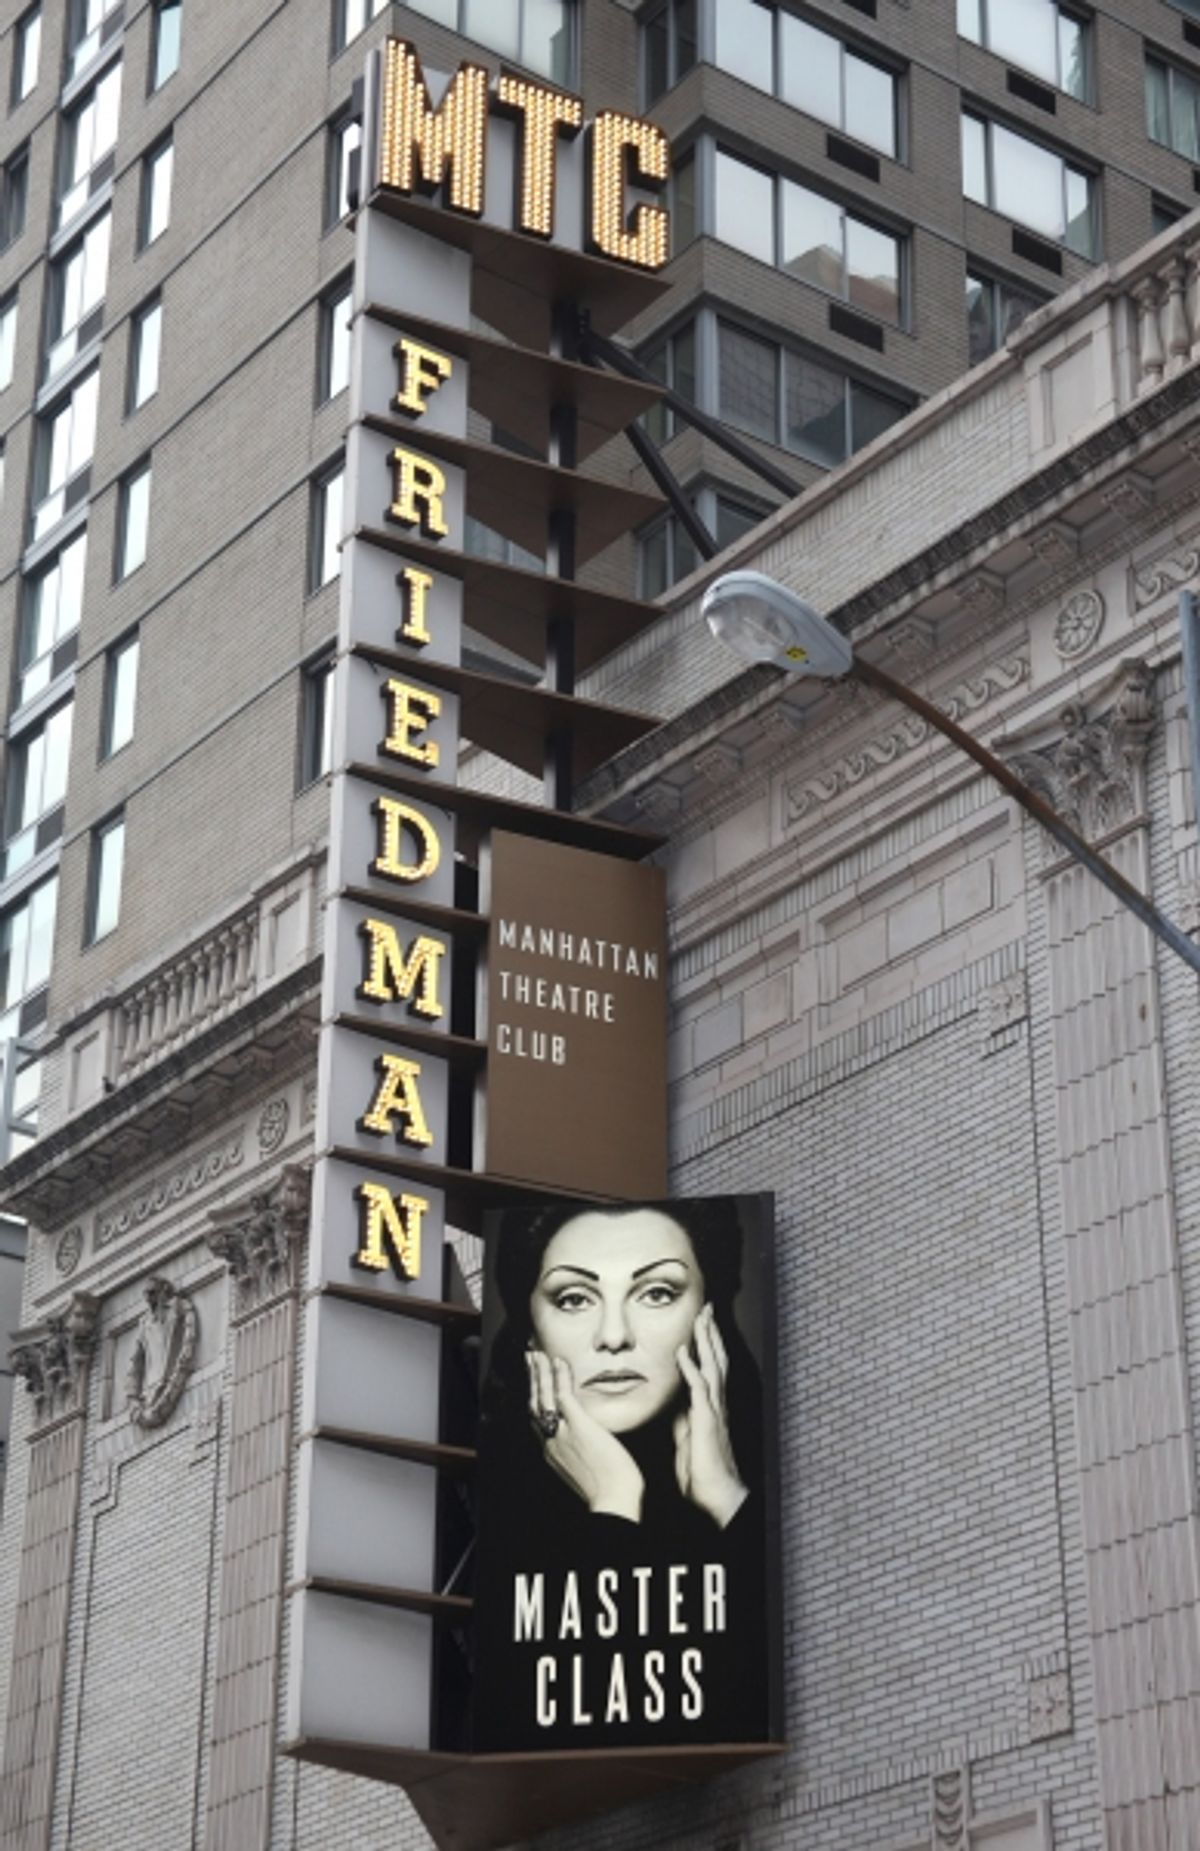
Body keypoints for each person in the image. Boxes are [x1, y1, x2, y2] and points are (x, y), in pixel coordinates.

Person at [471, 1199, 771, 1752]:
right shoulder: (480, 1539)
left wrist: (728, 1497)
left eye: (657, 1293)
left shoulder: (754, 1495)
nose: (614, 1336)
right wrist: (613, 1500)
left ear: (709, 1315)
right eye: (574, 1298)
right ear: (530, 1332)